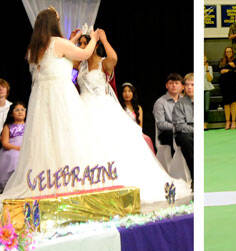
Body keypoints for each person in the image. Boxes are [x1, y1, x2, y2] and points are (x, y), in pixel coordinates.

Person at [0, 7, 105, 213]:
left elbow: (56, 59)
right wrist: (93, 38)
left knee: (48, 138)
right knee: (67, 135)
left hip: (42, 98)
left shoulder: (34, 49)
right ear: (53, 23)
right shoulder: (58, 43)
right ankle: (68, 179)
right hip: (60, 95)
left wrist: (71, 40)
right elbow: (84, 54)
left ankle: (49, 180)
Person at [77, 32, 189, 204]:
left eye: (86, 43)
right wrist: (71, 38)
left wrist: (103, 39)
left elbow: (113, 57)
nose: (82, 46)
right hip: (83, 108)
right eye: (81, 43)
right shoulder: (80, 66)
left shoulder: (103, 63)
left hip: (102, 107)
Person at [0, 102, 25, 192]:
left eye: (22, 110)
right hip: (12, 149)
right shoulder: (8, 127)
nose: (20, 112)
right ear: (11, 114)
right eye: (17, 110)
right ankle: (12, 184)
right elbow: (5, 143)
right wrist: (18, 149)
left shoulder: (29, 125)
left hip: (26, 148)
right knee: (14, 157)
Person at [119, 82, 154, 152]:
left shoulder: (138, 108)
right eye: (124, 91)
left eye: (129, 91)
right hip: (123, 132)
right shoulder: (119, 107)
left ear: (133, 93)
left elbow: (140, 126)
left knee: (147, 139)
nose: (127, 94)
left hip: (136, 133)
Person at [154, 73, 183, 154]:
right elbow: (161, 124)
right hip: (166, 133)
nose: (174, 85)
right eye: (171, 83)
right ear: (166, 85)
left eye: (176, 83)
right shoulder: (160, 102)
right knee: (181, 138)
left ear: (181, 86)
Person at [173, 73, 194, 182]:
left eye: (193, 84)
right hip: (184, 133)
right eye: (187, 85)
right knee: (187, 139)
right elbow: (180, 126)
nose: (189, 87)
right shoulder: (179, 104)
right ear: (184, 87)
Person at [219, 47, 236, 129]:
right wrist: (230, 67)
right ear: (225, 53)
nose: (228, 53)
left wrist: (228, 70)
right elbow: (220, 70)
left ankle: (233, 121)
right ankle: (228, 121)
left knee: (233, 102)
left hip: (233, 83)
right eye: (227, 52)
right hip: (224, 84)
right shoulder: (222, 60)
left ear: (232, 52)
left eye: (230, 51)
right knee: (226, 103)